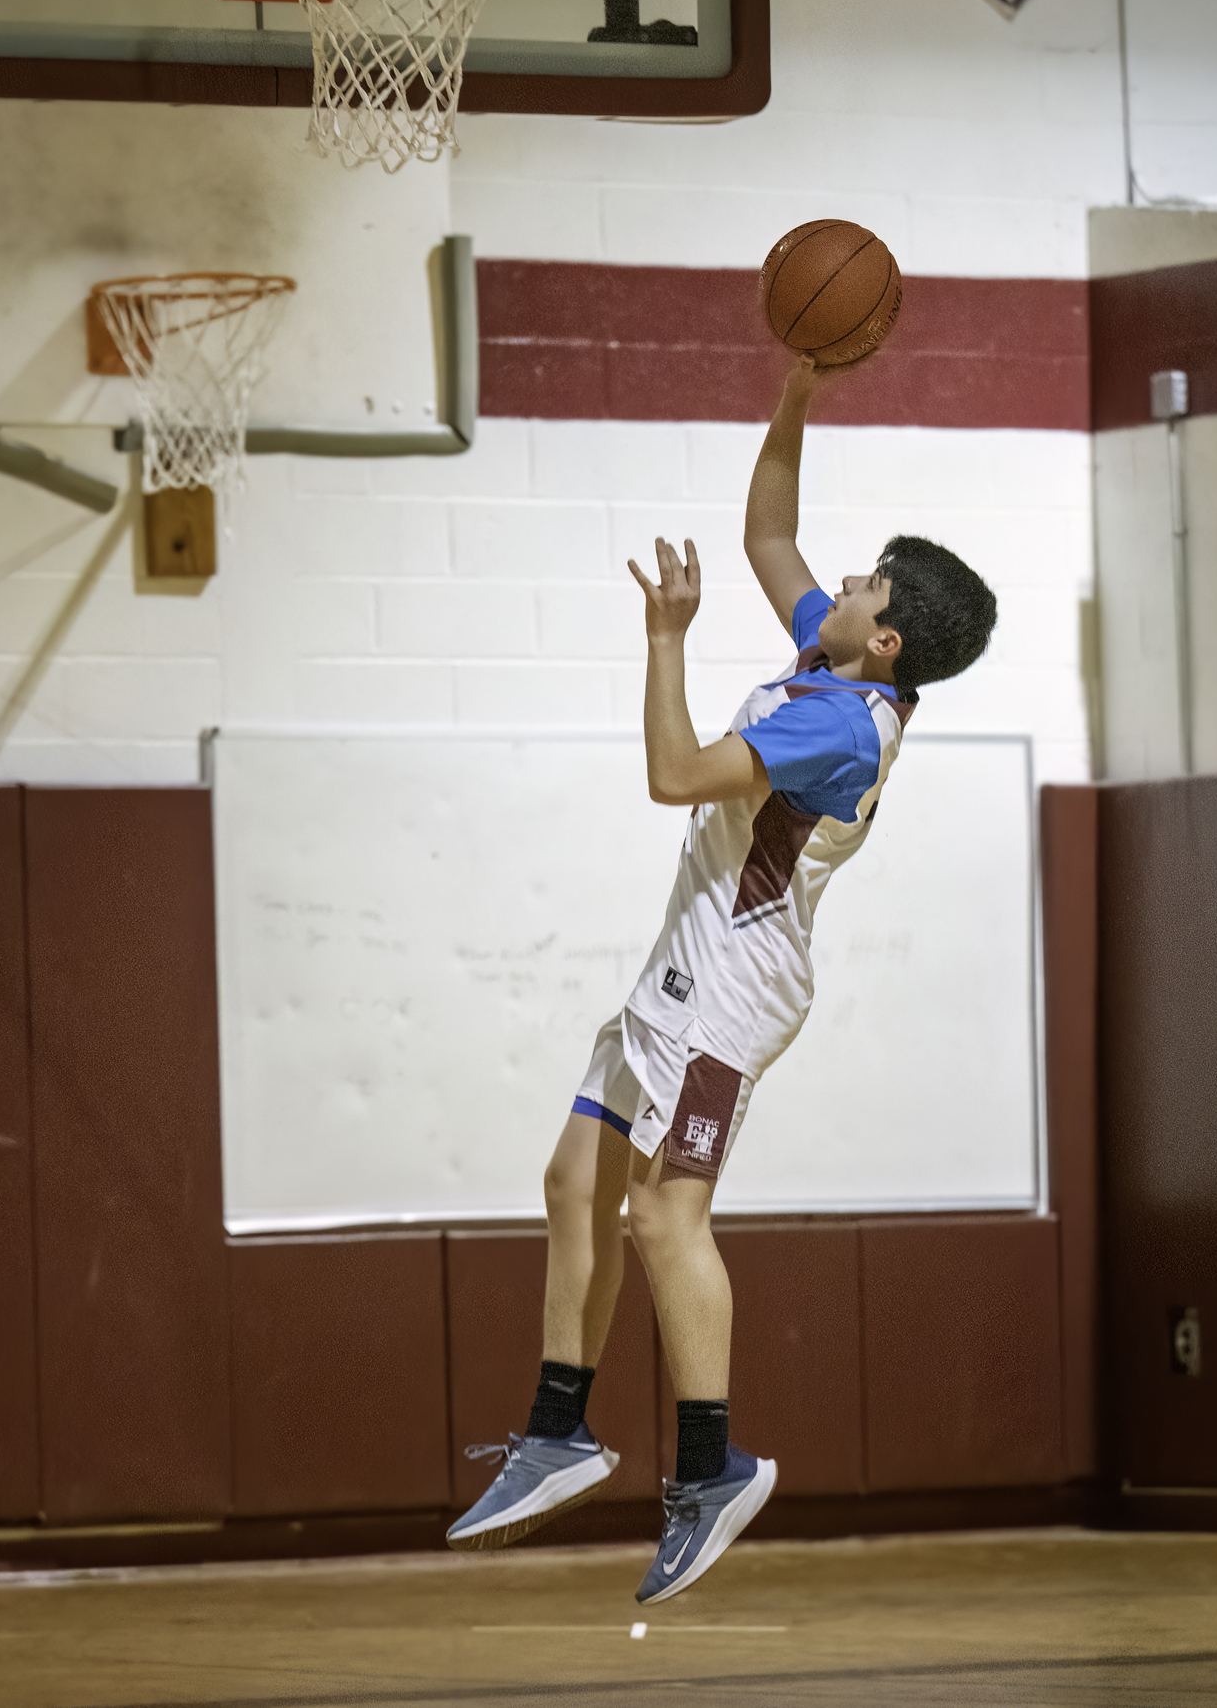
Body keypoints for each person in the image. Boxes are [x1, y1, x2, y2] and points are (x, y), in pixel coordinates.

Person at [446, 355, 998, 1603]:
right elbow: (770, 528)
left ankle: (709, 1468)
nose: (838, 582)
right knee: (574, 1184)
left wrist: (664, 640)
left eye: (864, 584)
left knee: (662, 1217)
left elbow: (677, 774)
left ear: (888, 636)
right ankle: (556, 1431)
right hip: (682, 972)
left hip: (732, 990)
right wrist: (798, 394)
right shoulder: (833, 659)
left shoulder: (840, 723)